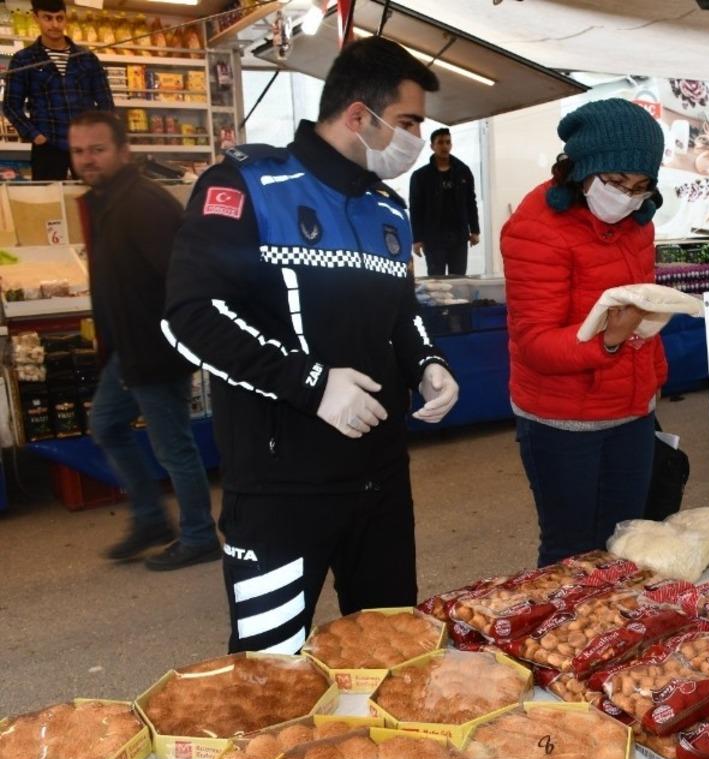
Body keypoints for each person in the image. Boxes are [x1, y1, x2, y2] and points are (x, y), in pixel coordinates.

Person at [162, 37, 459, 654]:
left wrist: (428, 361)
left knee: (389, 662)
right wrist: (313, 384)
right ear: (359, 116)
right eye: (407, 123)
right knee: (270, 680)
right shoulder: (247, 185)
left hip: (380, 481)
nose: (414, 139)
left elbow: (401, 312)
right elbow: (191, 315)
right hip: (279, 492)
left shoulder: (389, 208)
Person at [501, 98, 667, 567]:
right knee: (570, 552)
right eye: (615, 183)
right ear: (580, 170)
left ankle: (613, 638)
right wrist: (609, 340)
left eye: (640, 187)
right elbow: (534, 342)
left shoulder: (637, 222)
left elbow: (640, 300)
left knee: (624, 545)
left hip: (631, 410)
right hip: (563, 420)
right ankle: (560, 640)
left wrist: (653, 370)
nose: (627, 197)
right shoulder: (537, 228)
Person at [70, 112, 219, 570]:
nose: (87, 160)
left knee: (172, 445)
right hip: (128, 352)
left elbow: (183, 277)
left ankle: (198, 534)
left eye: (97, 149)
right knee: (108, 426)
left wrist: (175, 342)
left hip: (156, 349)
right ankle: (150, 518)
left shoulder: (143, 204)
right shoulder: (108, 202)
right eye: (79, 151)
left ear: (123, 151)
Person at [3, 0, 113, 180]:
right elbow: (10, 105)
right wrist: (35, 135)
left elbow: (105, 100)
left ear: (65, 18)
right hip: (47, 146)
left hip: (86, 146)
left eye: (59, 18)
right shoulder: (23, 59)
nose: (55, 24)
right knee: (47, 203)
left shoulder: (87, 57)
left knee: (95, 199)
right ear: (36, 17)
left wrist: (103, 136)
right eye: (48, 18)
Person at [409, 127, 481, 276]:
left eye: (448, 142)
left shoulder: (463, 171)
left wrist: (474, 230)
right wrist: (417, 239)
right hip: (433, 237)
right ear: (432, 146)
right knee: (437, 281)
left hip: (459, 235)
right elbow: (415, 209)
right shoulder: (421, 176)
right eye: (440, 142)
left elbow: (470, 202)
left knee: (459, 278)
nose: (445, 146)